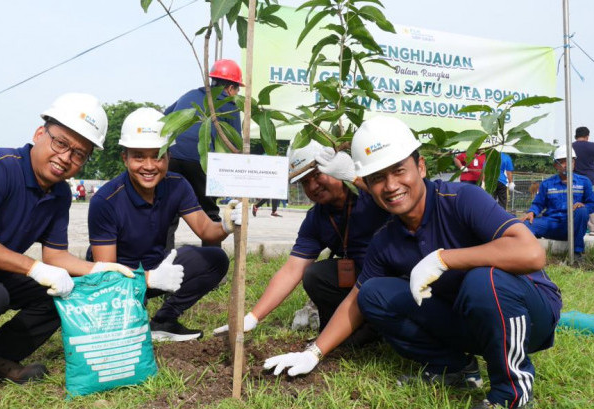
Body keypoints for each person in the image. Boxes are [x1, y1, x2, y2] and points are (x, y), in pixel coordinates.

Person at [264, 116, 562, 409]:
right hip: (469, 317)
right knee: (375, 293)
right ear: (366, 184)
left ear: (420, 167)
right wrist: (313, 352)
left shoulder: (461, 200)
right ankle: (456, 369)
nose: (391, 186)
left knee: (482, 279)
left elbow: (531, 253)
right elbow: (355, 300)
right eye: (378, 178)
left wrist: (445, 259)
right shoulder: (387, 238)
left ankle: (511, 394)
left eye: (399, 171)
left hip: (529, 315)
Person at [0, 93, 133, 409]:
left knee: (64, 292)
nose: (66, 157)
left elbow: (55, 257)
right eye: (61, 143)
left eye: (79, 154)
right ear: (39, 134)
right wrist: (33, 268)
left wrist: (97, 270)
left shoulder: (60, 193)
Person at [87, 107, 241, 342]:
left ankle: (164, 321)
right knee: (122, 332)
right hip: (118, 276)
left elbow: (206, 231)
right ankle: (127, 318)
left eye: (157, 155)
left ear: (169, 156)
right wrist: (146, 279)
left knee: (215, 259)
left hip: (159, 266)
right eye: (139, 156)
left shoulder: (177, 185)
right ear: (125, 158)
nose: (149, 166)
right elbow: (105, 273)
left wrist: (227, 225)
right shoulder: (105, 201)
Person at [214, 140, 388, 344]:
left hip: (390, 274)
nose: (312, 186)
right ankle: (355, 330)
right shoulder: (316, 218)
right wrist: (253, 318)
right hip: (359, 277)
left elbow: (393, 196)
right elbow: (291, 270)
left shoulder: (369, 196)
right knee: (317, 275)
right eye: (304, 182)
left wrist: (355, 177)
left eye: (316, 175)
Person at [164, 59, 243, 248]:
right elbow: (235, 144)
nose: (237, 93)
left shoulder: (191, 94)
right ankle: (213, 259)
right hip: (201, 160)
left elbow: (166, 116)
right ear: (231, 87)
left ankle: (162, 258)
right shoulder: (229, 105)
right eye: (237, 89)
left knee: (169, 210)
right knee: (208, 210)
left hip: (172, 156)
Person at [521, 145, 594, 262]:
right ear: (555, 165)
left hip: (571, 226)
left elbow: (592, 204)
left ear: (574, 163)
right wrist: (532, 212)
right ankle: (527, 252)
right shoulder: (547, 183)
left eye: (570, 161)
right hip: (551, 224)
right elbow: (538, 203)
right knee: (525, 224)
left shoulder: (584, 182)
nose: (567, 165)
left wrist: (584, 206)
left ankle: (577, 252)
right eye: (563, 162)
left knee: (582, 211)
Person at [571, 126, 594, 235]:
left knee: (573, 203)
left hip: (574, 181)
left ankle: (572, 227)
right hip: (590, 180)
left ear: (576, 136)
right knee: (593, 203)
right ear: (587, 136)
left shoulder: (570, 146)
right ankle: (593, 229)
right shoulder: (593, 146)